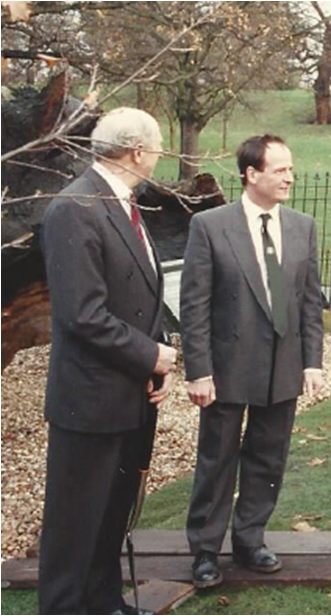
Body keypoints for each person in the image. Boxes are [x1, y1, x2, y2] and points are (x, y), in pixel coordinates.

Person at [38, 107, 176, 615]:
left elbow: (138, 294)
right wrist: (151, 354)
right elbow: (83, 314)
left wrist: (154, 364)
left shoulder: (123, 206)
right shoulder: (76, 208)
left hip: (128, 394)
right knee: (76, 522)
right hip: (89, 400)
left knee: (110, 515)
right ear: (138, 151)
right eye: (157, 150)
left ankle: (104, 603)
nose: (159, 160)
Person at [180, 134, 324, 588]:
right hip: (226, 368)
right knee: (217, 459)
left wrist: (312, 362)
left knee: (268, 459)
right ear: (251, 174)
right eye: (280, 170)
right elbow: (194, 305)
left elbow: (309, 303)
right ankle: (205, 550)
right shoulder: (210, 226)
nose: (290, 178)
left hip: (283, 365)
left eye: (291, 169)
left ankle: (250, 539)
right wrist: (198, 370)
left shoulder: (303, 226)